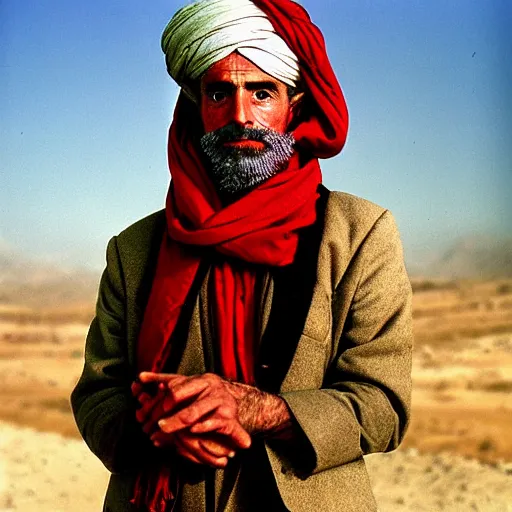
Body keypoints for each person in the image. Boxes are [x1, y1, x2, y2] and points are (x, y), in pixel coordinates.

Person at [71, 0, 413, 510]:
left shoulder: (358, 235)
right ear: (196, 107)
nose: (240, 116)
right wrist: (157, 427)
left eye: (261, 92)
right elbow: (96, 396)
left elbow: (383, 405)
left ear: (292, 105)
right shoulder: (134, 250)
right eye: (218, 93)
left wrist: (259, 409)